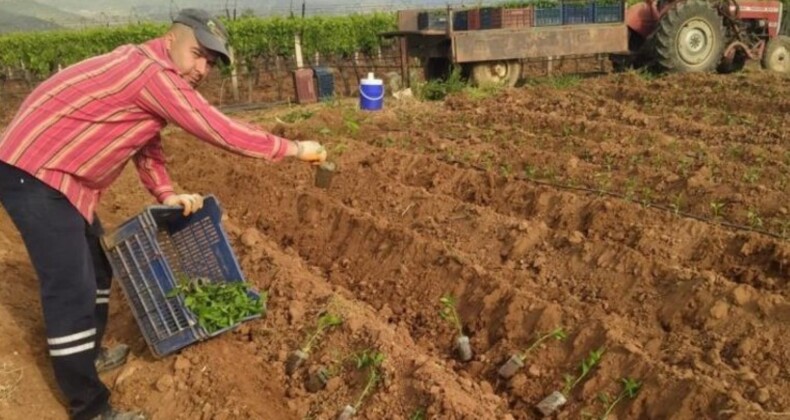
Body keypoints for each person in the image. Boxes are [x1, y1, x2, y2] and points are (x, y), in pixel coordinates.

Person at [0, 8, 327, 420]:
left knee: (99, 269)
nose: (203, 68)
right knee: (72, 288)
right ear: (170, 39)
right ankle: (90, 408)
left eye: (211, 62)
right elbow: (217, 127)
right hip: (36, 174)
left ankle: (90, 356)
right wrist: (295, 149)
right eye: (198, 54)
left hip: (64, 181)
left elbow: (146, 141)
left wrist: (166, 192)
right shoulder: (152, 73)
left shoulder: (148, 71)